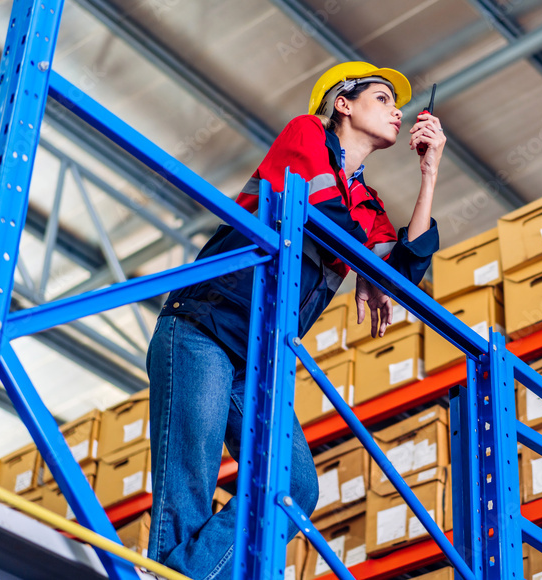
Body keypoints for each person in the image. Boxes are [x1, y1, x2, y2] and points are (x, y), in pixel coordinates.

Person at [146, 61, 445, 579]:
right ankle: (170, 572)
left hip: (253, 362)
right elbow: (327, 217)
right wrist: (367, 266)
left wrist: (430, 172)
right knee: (188, 486)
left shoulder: (366, 202)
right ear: (342, 104)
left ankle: (183, 574)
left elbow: (401, 276)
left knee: (294, 488)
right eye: (382, 98)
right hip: (204, 329)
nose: (397, 110)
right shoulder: (305, 132)